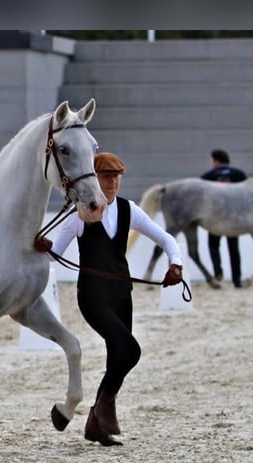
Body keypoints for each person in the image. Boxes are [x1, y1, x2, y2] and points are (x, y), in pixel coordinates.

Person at [34, 152, 184, 446]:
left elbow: (167, 239)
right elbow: (56, 253)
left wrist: (175, 264)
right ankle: (101, 410)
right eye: (106, 176)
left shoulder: (129, 210)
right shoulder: (80, 214)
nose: (112, 182)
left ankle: (95, 423)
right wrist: (43, 247)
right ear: (95, 178)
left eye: (116, 177)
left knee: (118, 356)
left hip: (121, 295)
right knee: (131, 350)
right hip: (92, 296)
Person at [200, 149, 248, 288]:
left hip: (215, 218)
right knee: (234, 248)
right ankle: (237, 280)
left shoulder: (207, 176)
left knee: (213, 245)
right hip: (233, 219)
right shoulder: (239, 175)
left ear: (216, 161)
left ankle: (218, 272)